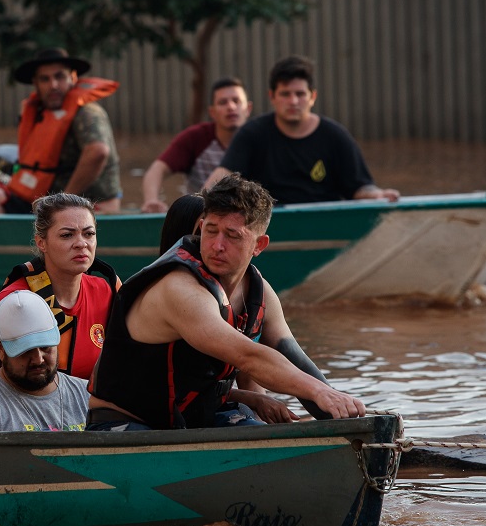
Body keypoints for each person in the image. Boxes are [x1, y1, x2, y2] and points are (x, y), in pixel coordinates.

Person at [87, 174, 366, 431]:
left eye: (232, 236)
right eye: (211, 230)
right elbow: (248, 356)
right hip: (125, 425)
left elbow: (297, 361)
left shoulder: (260, 292)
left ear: (259, 245)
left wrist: (346, 420)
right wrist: (319, 392)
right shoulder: (178, 288)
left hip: (195, 419)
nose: (217, 245)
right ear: (200, 226)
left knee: (262, 438)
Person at [204, 56, 399, 205]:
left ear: (312, 96)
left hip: (324, 225)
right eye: (285, 94)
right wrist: (199, 201)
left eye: (300, 94)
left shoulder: (335, 136)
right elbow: (223, 175)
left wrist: (377, 195)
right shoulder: (253, 134)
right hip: (267, 228)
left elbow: (359, 187)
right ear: (272, 96)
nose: (293, 101)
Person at [0, 48, 123, 214]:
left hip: (86, 204)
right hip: (47, 203)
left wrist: (63, 201)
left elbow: (98, 152)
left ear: (72, 77)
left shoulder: (86, 112)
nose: (53, 85)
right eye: (45, 79)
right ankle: (22, 238)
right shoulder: (39, 112)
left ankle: (32, 235)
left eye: (59, 76)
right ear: (36, 83)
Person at [0, 193, 119, 381]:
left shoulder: (107, 288)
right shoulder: (14, 301)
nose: (81, 244)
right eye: (67, 235)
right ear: (41, 243)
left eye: (89, 233)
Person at [0, 290, 91, 431]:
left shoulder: (88, 395)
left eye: (45, 347)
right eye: (26, 351)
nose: (38, 359)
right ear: (0, 349)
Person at [140, 77, 252, 213]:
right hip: (202, 215)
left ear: (248, 108)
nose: (231, 107)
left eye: (236, 101)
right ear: (212, 112)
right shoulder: (195, 137)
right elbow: (157, 170)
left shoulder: (260, 138)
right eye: (223, 102)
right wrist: (151, 200)